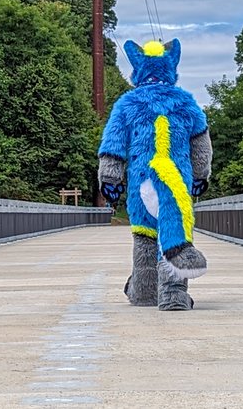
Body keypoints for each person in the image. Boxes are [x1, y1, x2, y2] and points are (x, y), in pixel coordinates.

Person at [97, 39, 212, 311]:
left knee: (144, 238)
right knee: (172, 233)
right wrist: (200, 176)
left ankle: (143, 292)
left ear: (137, 69)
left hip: (141, 184)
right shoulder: (186, 103)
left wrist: (110, 178)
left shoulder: (128, 104)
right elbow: (201, 144)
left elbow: (112, 144)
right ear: (171, 68)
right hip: (175, 184)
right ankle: (173, 294)